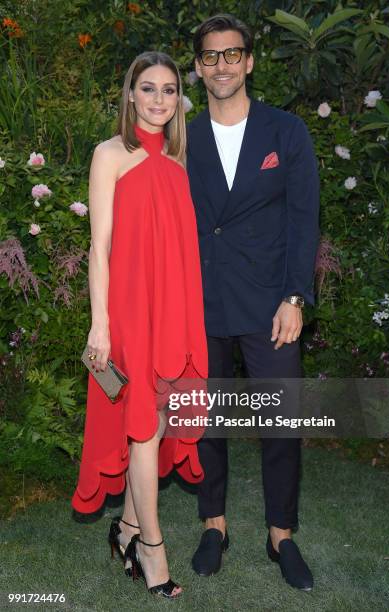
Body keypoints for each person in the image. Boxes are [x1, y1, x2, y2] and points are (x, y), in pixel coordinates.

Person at [186, 14, 320, 591]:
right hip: (199, 301)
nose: (222, 65)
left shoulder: (286, 132)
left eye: (232, 54)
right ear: (198, 67)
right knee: (206, 423)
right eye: (211, 56)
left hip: (271, 304)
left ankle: (281, 535)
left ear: (250, 61)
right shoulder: (181, 135)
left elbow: (302, 219)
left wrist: (295, 295)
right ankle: (213, 525)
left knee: (280, 423)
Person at [71, 51, 208, 599]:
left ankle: (126, 529)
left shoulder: (178, 160)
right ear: (129, 94)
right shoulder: (110, 154)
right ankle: (153, 548)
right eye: (147, 89)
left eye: (169, 90)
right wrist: (99, 324)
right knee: (144, 428)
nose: (158, 100)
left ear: (179, 99)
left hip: (174, 306)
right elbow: (98, 246)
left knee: (156, 420)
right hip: (128, 311)